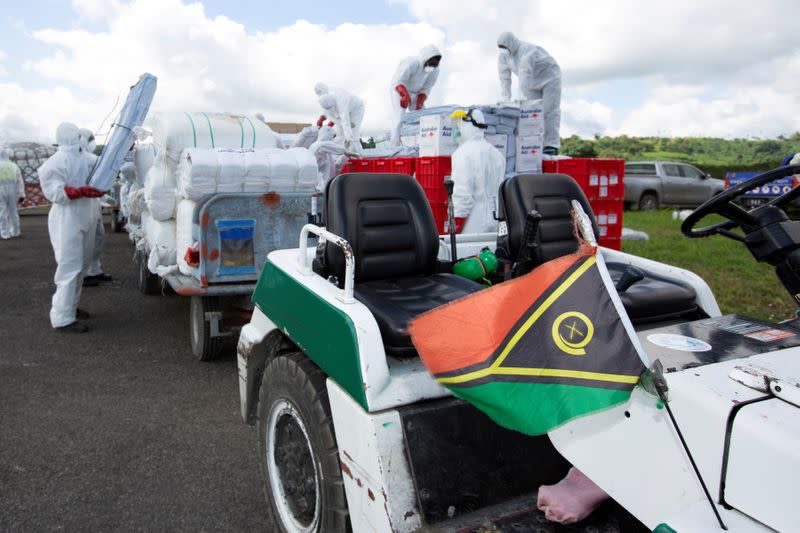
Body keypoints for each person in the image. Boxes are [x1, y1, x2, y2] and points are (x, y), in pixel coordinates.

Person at [38, 123, 104, 333]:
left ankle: (71, 308)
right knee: (69, 267)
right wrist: (79, 192)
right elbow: (54, 192)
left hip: (87, 215)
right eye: (75, 134)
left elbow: (103, 167)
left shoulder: (84, 157)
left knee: (82, 265)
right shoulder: (55, 162)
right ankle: (61, 317)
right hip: (67, 219)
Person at [497, 31, 562, 155]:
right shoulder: (503, 57)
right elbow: (504, 78)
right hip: (532, 82)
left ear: (511, 42)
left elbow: (524, 72)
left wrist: (520, 96)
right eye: (501, 47)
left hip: (550, 77)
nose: (503, 49)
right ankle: (533, 143)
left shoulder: (527, 50)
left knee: (549, 111)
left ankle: (550, 145)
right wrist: (505, 101)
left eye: (505, 46)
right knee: (531, 113)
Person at [450, 109, 506, 234]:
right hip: (498, 217)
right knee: (493, 252)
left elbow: (462, 193)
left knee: (470, 253)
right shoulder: (497, 154)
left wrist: (456, 223)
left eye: (460, 125)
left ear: (467, 125)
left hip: (474, 221)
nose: (457, 130)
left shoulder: (462, 153)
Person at [389, 44, 442, 145]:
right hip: (400, 89)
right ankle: (394, 144)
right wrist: (404, 95)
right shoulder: (411, 63)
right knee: (400, 116)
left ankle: (424, 143)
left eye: (434, 65)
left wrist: (420, 101)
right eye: (431, 63)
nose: (432, 66)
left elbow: (427, 88)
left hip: (416, 93)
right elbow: (397, 81)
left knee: (422, 116)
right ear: (426, 58)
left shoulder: (435, 71)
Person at [80, 128, 112, 285]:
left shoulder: (91, 159)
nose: (93, 141)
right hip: (84, 205)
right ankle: (83, 275)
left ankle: (94, 270)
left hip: (94, 203)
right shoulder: (85, 159)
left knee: (98, 237)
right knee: (86, 241)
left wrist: (105, 197)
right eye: (91, 138)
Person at [315, 83, 364, 153]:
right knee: (340, 134)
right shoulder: (325, 102)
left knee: (353, 131)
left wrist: (349, 137)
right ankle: (342, 154)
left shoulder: (341, 99)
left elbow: (345, 120)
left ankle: (356, 152)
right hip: (342, 113)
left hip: (355, 109)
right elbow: (333, 117)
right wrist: (326, 127)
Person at [0, 148, 25, 239]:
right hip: (13, 191)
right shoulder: (14, 166)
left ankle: (4, 233)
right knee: (13, 212)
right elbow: (20, 181)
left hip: (0, 191)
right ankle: (16, 231)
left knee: (1, 213)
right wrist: (21, 194)